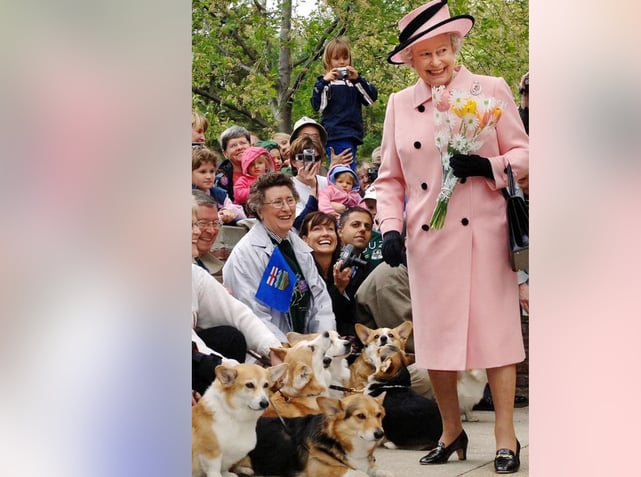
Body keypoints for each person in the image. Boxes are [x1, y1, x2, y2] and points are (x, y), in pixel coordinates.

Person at [377, 0, 529, 472]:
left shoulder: (491, 90)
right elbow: (389, 178)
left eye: (442, 50)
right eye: (425, 54)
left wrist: (490, 166)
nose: (436, 62)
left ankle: (506, 437)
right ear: (412, 59)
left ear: (455, 47)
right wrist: (388, 228)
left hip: (486, 235)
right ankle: (451, 431)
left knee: (498, 337)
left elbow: (528, 154)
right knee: (437, 343)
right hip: (428, 238)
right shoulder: (399, 104)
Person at [222, 172, 336, 342]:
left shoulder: (298, 246)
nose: (286, 208)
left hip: (309, 351)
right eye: (277, 202)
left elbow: (320, 300)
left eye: (290, 200)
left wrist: (324, 340)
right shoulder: (246, 254)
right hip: (273, 356)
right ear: (259, 210)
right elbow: (254, 316)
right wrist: (288, 351)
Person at [190, 198, 283, 397]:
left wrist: (275, 350)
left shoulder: (193, 274)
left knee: (229, 337)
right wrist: (240, 372)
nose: (197, 232)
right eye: (191, 225)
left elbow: (237, 313)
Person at [299, 208, 374, 338]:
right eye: (317, 229)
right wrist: (338, 288)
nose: (325, 234)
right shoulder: (300, 271)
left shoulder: (346, 269)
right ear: (304, 239)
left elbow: (345, 316)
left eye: (330, 229)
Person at [311, 37, 378, 171]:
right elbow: (318, 107)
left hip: (352, 135)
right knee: (343, 173)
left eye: (345, 57)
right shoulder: (325, 84)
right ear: (328, 61)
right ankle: (343, 191)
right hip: (336, 134)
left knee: (347, 171)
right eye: (336, 58)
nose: (342, 62)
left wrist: (357, 79)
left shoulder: (355, 82)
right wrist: (325, 82)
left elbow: (370, 99)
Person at [192, 147, 246, 225]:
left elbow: (242, 215)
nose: (209, 176)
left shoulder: (220, 194)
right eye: (203, 172)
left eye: (212, 171)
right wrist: (218, 217)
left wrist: (228, 211)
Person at [216, 125, 252, 202]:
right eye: (233, 145)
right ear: (225, 153)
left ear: (251, 146)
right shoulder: (221, 178)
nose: (239, 147)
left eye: (243, 143)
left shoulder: (264, 169)